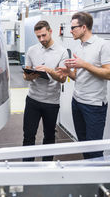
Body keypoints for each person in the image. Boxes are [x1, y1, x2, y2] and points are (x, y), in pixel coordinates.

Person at [58, 12, 110, 159]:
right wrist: (68, 71)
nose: (71, 31)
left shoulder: (102, 45)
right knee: (83, 144)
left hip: (94, 105)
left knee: (94, 148)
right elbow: (78, 76)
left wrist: (84, 64)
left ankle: (98, 179)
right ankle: (89, 175)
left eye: (73, 28)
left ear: (84, 27)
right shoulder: (79, 47)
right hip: (77, 102)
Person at [22, 20, 68, 161]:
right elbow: (25, 75)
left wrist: (48, 70)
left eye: (43, 35)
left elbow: (62, 79)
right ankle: (27, 167)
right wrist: (30, 76)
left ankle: (47, 167)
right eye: (38, 37)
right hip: (33, 100)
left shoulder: (62, 52)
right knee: (28, 135)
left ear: (50, 31)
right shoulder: (32, 50)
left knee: (49, 135)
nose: (41, 39)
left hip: (51, 102)